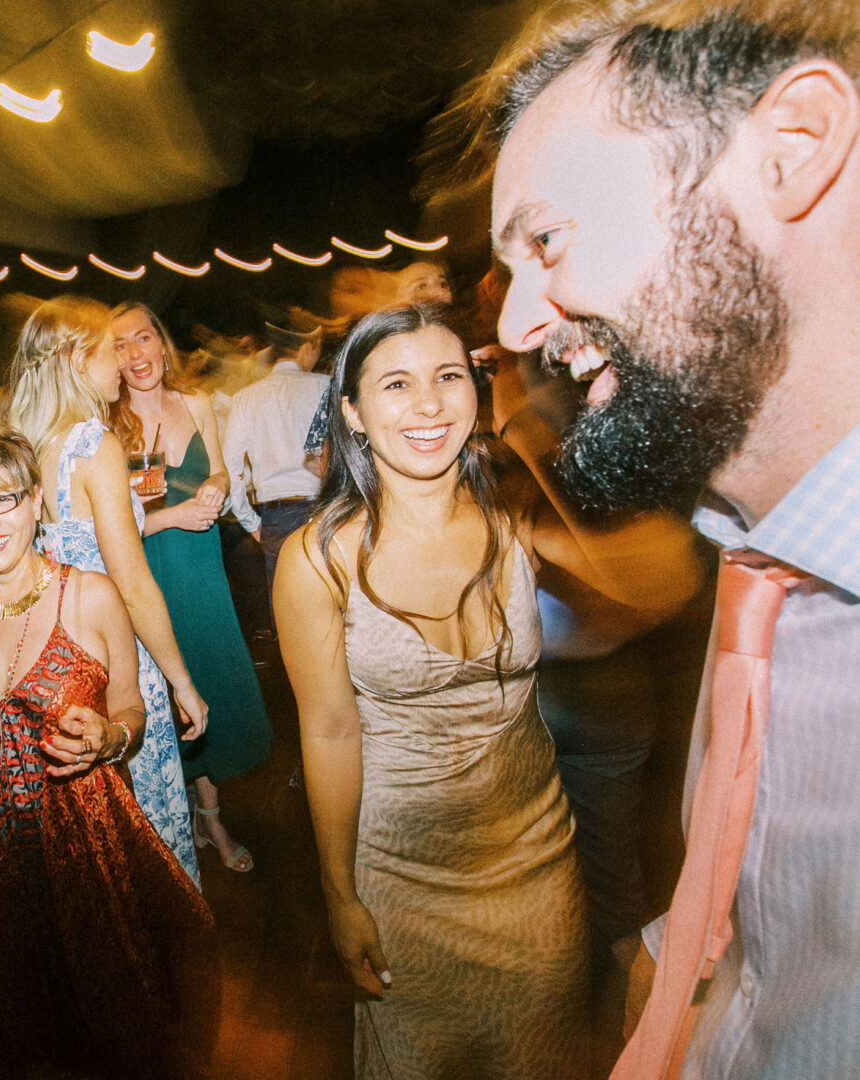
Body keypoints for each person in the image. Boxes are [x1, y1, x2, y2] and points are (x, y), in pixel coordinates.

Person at [480, 4, 860, 1076]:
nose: (516, 326)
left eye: (546, 239)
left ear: (791, 149)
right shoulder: (758, 565)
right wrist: (670, 960)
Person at [275, 303, 703, 1080]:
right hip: (399, 875)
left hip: (534, 862)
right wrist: (341, 895)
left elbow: (664, 574)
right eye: (396, 384)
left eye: (447, 377)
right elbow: (331, 730)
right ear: (353, 414)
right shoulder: (317, 560)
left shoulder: (514, 513)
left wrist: (531, 435)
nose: (430, 403)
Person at [0, 429, 217, 1080]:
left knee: (119, 1020)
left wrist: (110, 739)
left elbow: (132, 714)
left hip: (83, 845)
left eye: (2, 499)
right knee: (19, 1028)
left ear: (37, 501)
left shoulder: (90, 595)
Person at [3, 294, 209, 884]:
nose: (121, 363)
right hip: (118, 657)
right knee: (150, 822)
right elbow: (136, 586)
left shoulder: (24, 445)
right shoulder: (93, 445)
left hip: (60, 657)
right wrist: (181, 681)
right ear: (73, 360)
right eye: (107, 351)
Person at [110, 302, 272, 873]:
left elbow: (221, 473)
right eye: (121, 344)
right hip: (146, 574)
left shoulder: (198, 403)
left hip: (202, 571)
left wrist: (215, 489)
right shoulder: (107, 426)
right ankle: (200, 819)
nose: (135, 354)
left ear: (161, 343)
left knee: (210, 683)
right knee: (165, 698)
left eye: (143, 338)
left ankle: (207, 814)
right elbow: (108, 530)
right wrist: (172, 517)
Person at [223, 315, 330, 596]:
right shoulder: (326, 386)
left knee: (287, 614)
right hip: (326, 511)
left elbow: (230, 469)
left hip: (276, 518)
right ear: (308, 347)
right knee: (335, 605)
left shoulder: (245, 398)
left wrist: (251, 523)